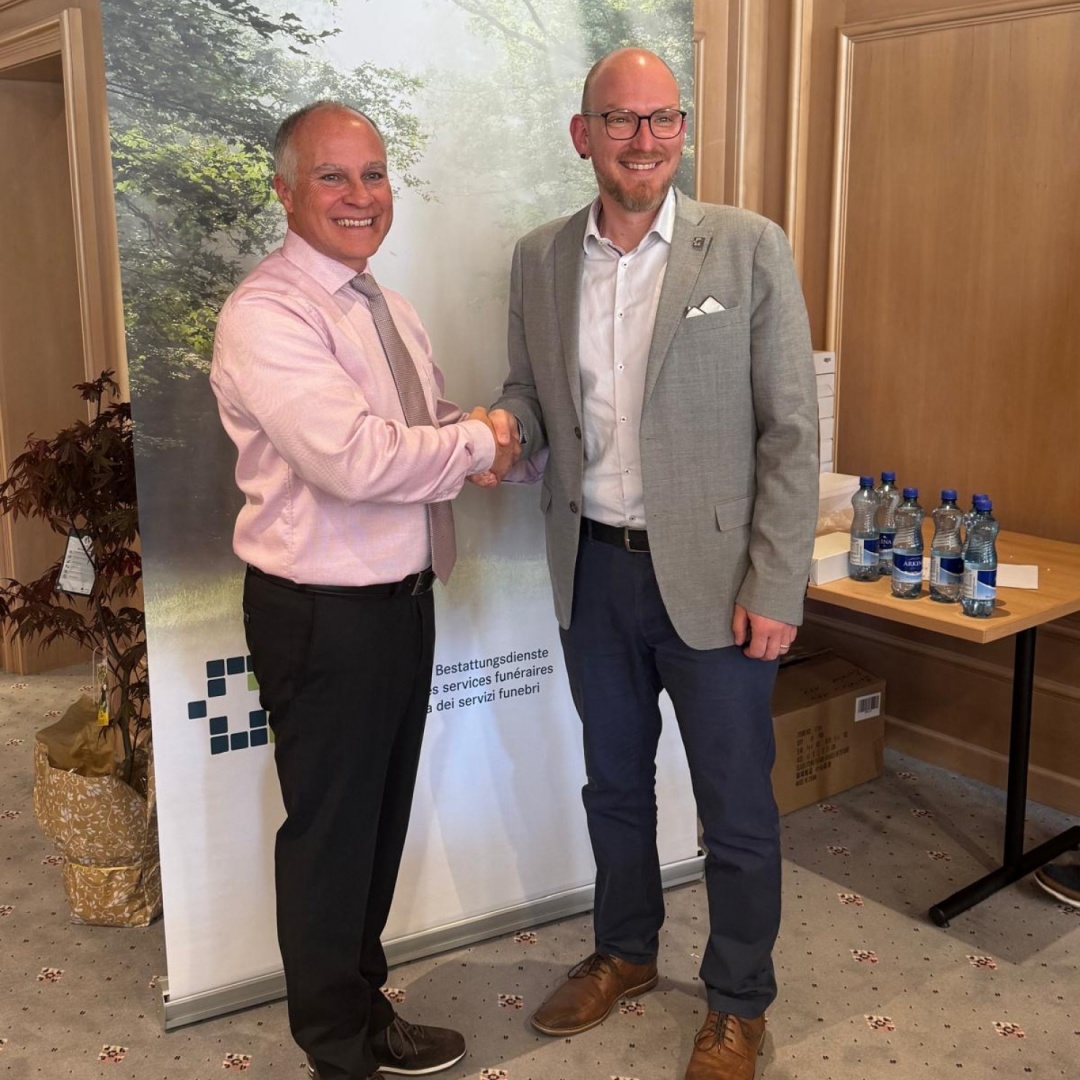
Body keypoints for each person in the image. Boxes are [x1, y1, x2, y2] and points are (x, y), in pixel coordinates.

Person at [483, 48, 819, 1080]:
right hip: (593, 571)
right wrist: (507, 426)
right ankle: (626, 951)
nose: (643, 140)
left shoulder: (748, 247)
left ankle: (739, 1000)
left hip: (717, 585)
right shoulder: (540, 258)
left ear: (682, 128)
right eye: (620, 120)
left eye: (661, 118)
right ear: (583, 134)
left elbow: (791, 432)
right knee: (615, 786)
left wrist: (776, 583)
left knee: (736, 807)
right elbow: (531, 390)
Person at [211, 101, 517, 1080]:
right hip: (321, 615)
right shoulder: (268, 314)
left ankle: (363, 1007)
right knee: (331, 840)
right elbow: (352, 459)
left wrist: (482, 439)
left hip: (398, 604)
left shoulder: (385, 304)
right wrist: (475, 445)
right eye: (333, 176)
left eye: (373, 173)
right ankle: (337, 1053)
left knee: (375, 830)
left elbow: (422, 421)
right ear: (284, 191)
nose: (360, 195)